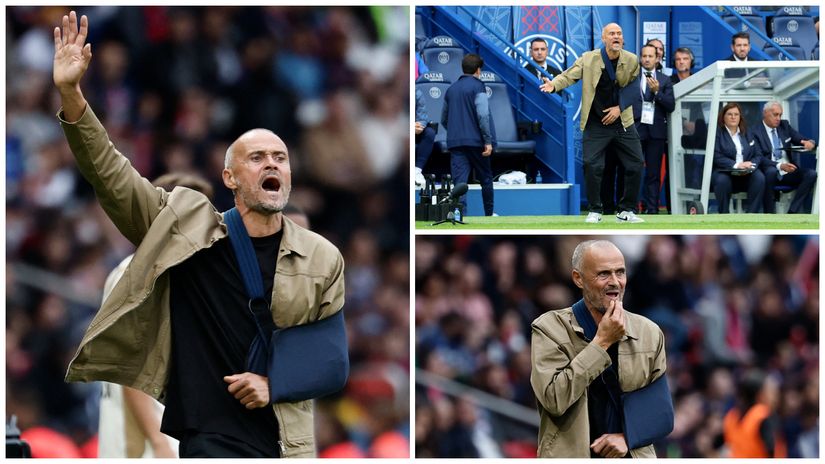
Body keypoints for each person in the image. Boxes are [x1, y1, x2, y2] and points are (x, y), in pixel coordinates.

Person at [55, 12, 345, 458]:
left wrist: (274, 384)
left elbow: (330, 359)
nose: (272, 163)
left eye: (280, 157)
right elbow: (113, 177)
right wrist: (73, 96)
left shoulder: (322, 257)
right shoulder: (187, 227)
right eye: (258, 157)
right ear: (229, 177)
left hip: (288, 445)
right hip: (208, 439)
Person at [98, 173, 214, 458]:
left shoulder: (174, 274)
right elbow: (129, 368)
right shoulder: (136, 276)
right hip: (144, 447)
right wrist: (159, 443)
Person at [530, 240, 669, 457]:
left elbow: (660, 412)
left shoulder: (649, 332)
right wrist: (602, 342)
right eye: (604, 274)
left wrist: (628, 437)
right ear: (578, 278)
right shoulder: (549, 329)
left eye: (620, 272)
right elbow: (554, 400)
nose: (615, 282)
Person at [540, 23, 644, 224]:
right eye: (612, 34)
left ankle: (626, 210)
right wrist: (553, 85)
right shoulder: (589, 58)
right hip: (596, 123)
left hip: (622, 121)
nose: (616, 37)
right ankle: (595, 210)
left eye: (619, 34)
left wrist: (618, 108)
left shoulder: (631, 59)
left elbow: (634, 89)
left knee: (636, 163)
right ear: (604, 38)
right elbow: (569, 75)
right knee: (591, 164)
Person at [441, 53, 496, 216]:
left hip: (456, 143)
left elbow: (443, 119)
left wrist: (455, 131)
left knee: (460, 183)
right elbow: (483, 115)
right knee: (486, 179)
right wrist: (487, 140)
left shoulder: (450, 89)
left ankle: (459, 215)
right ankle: (489, 215)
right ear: (478, 70)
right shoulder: (479, 86)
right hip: (477, 143)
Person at [630, 44, 675, 214]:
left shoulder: (664, 80)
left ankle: (652, 209)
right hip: (635, 130)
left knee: (653, 174)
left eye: (651, 56)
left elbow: (671, 106)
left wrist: (657, 93)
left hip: (656, 132)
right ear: (640, 58)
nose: (647, 59)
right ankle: (632, 208)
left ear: (657, 58)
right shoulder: (631, 78)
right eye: (644, 56)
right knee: (634, 171)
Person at [752, 101, 818, 213]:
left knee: (811, 174)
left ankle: (792, 212)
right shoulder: (754, 131)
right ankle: (769, 214)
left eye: (780, 115)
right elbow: (759, 158)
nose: (778, 118)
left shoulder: (784, 125)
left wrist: (809, 142)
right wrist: (780, 166)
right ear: (765, 113)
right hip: (769, 170)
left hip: (788, 171)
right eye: (775, 114)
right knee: (771, 172)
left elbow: (799, 138)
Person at [711, 102, 765, 213]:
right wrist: (737, 165)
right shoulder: (716, 133)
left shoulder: (747, 132)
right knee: (722, 181)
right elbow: (716, 156)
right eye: (729, 114)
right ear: (723, 117)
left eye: (736, 114)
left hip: (746, 173)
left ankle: (751, 215)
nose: (733, 117)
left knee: (759, 178)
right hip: (725, 172)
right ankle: (724, 216)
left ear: (740, 117)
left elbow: (758, 154)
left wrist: (751, 165)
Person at [723, 370, 787, 457]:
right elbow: (771, 450)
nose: (776, 395)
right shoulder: (763, 414)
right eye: (772, 391)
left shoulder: (731, 417)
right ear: (760, 394)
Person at [415, 87, 436, 188]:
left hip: (415, 131)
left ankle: (417, 170)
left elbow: (422, 118)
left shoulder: (417, 92)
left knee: (430, 133)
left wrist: (419, 125)